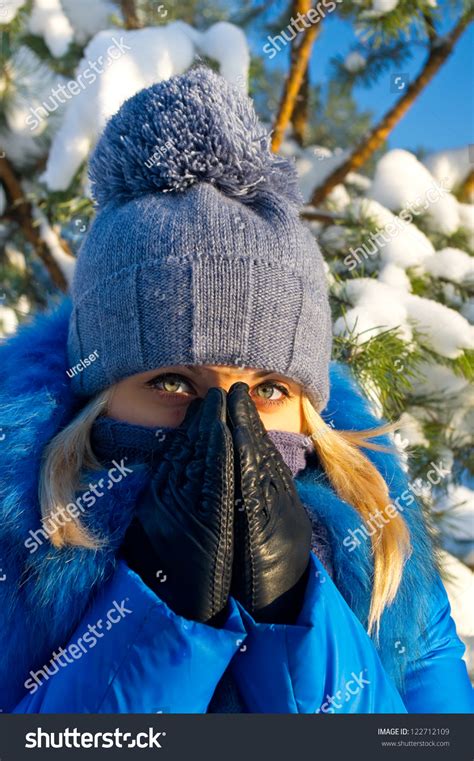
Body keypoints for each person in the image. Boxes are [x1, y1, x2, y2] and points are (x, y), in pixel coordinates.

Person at [0, 67, 472, 715]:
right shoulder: (14, 556)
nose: (227, 423)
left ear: (310, 408)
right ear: (96, 394)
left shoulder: (389, 560)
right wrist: (156, 618)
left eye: (270, 387)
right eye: (172, 381)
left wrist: (296, 618)